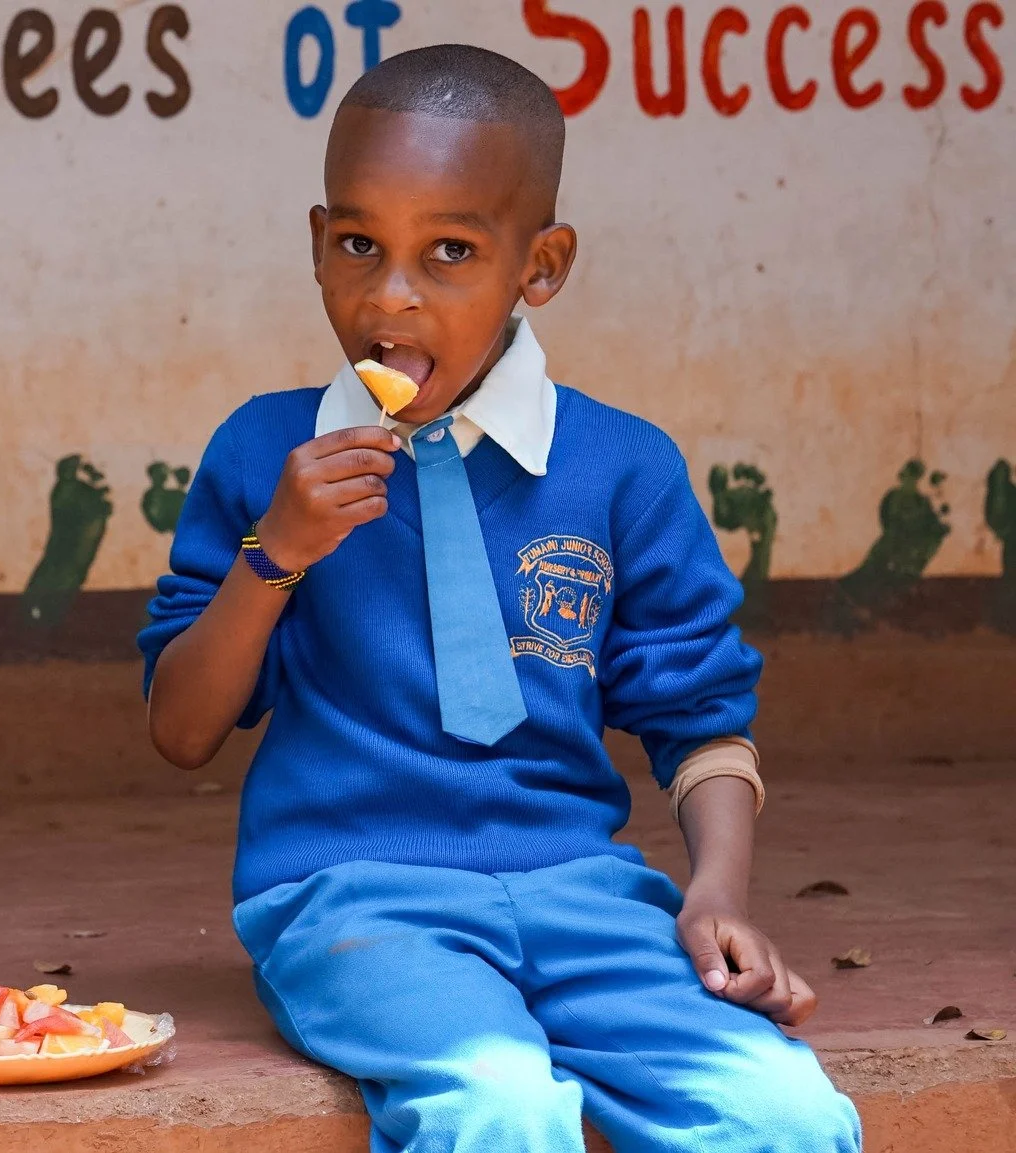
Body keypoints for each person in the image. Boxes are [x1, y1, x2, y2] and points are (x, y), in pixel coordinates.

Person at [140, 45, 860, 1152]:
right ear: (316, 242)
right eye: (357, 246)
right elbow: (181, 728)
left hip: (584, 898)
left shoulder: (620, 466)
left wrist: (714, 894)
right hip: (351, 903)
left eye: (450, 253)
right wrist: (274, 553)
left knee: (787, 1115)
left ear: (541, 264)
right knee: (498, 1106)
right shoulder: (264, 451)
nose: (390, 294)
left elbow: (699, 719)